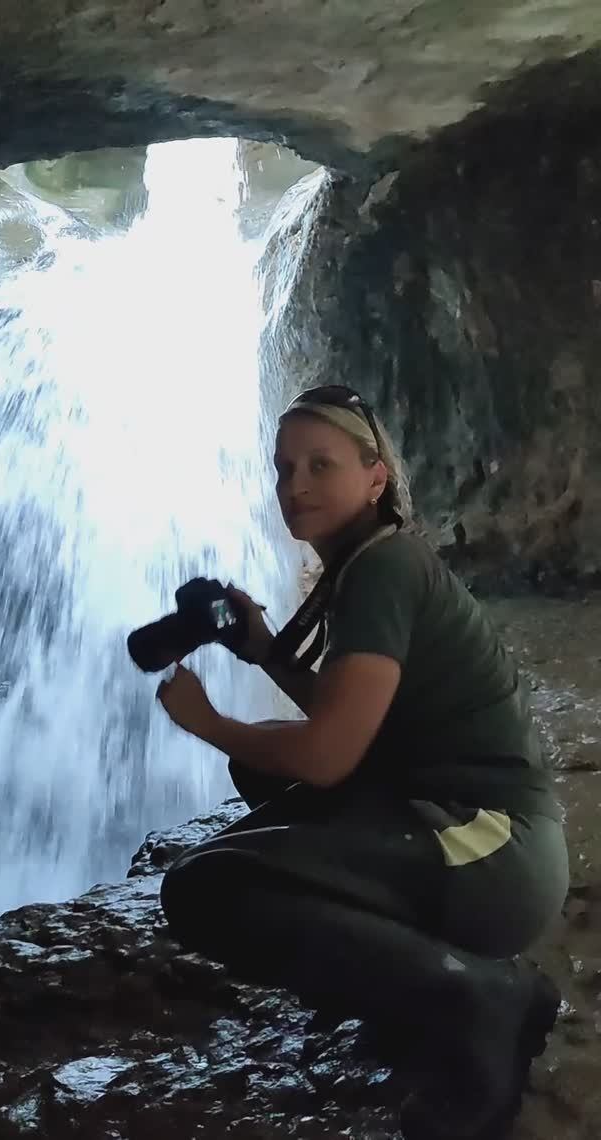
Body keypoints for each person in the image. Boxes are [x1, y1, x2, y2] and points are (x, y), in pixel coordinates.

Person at [156, 384, 569, 1140]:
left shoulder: (381, 571)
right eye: (283, 469)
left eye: (321, 464)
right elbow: (353, 716)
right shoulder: (375, 563)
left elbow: (327, 753)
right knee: (262, 779)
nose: (296, 485)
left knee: (203, 888)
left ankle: (478, 1000)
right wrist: (261, 648)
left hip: (492, 848)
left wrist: (209, 722)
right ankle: (425, 976)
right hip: (479, 840)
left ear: (375, 477)